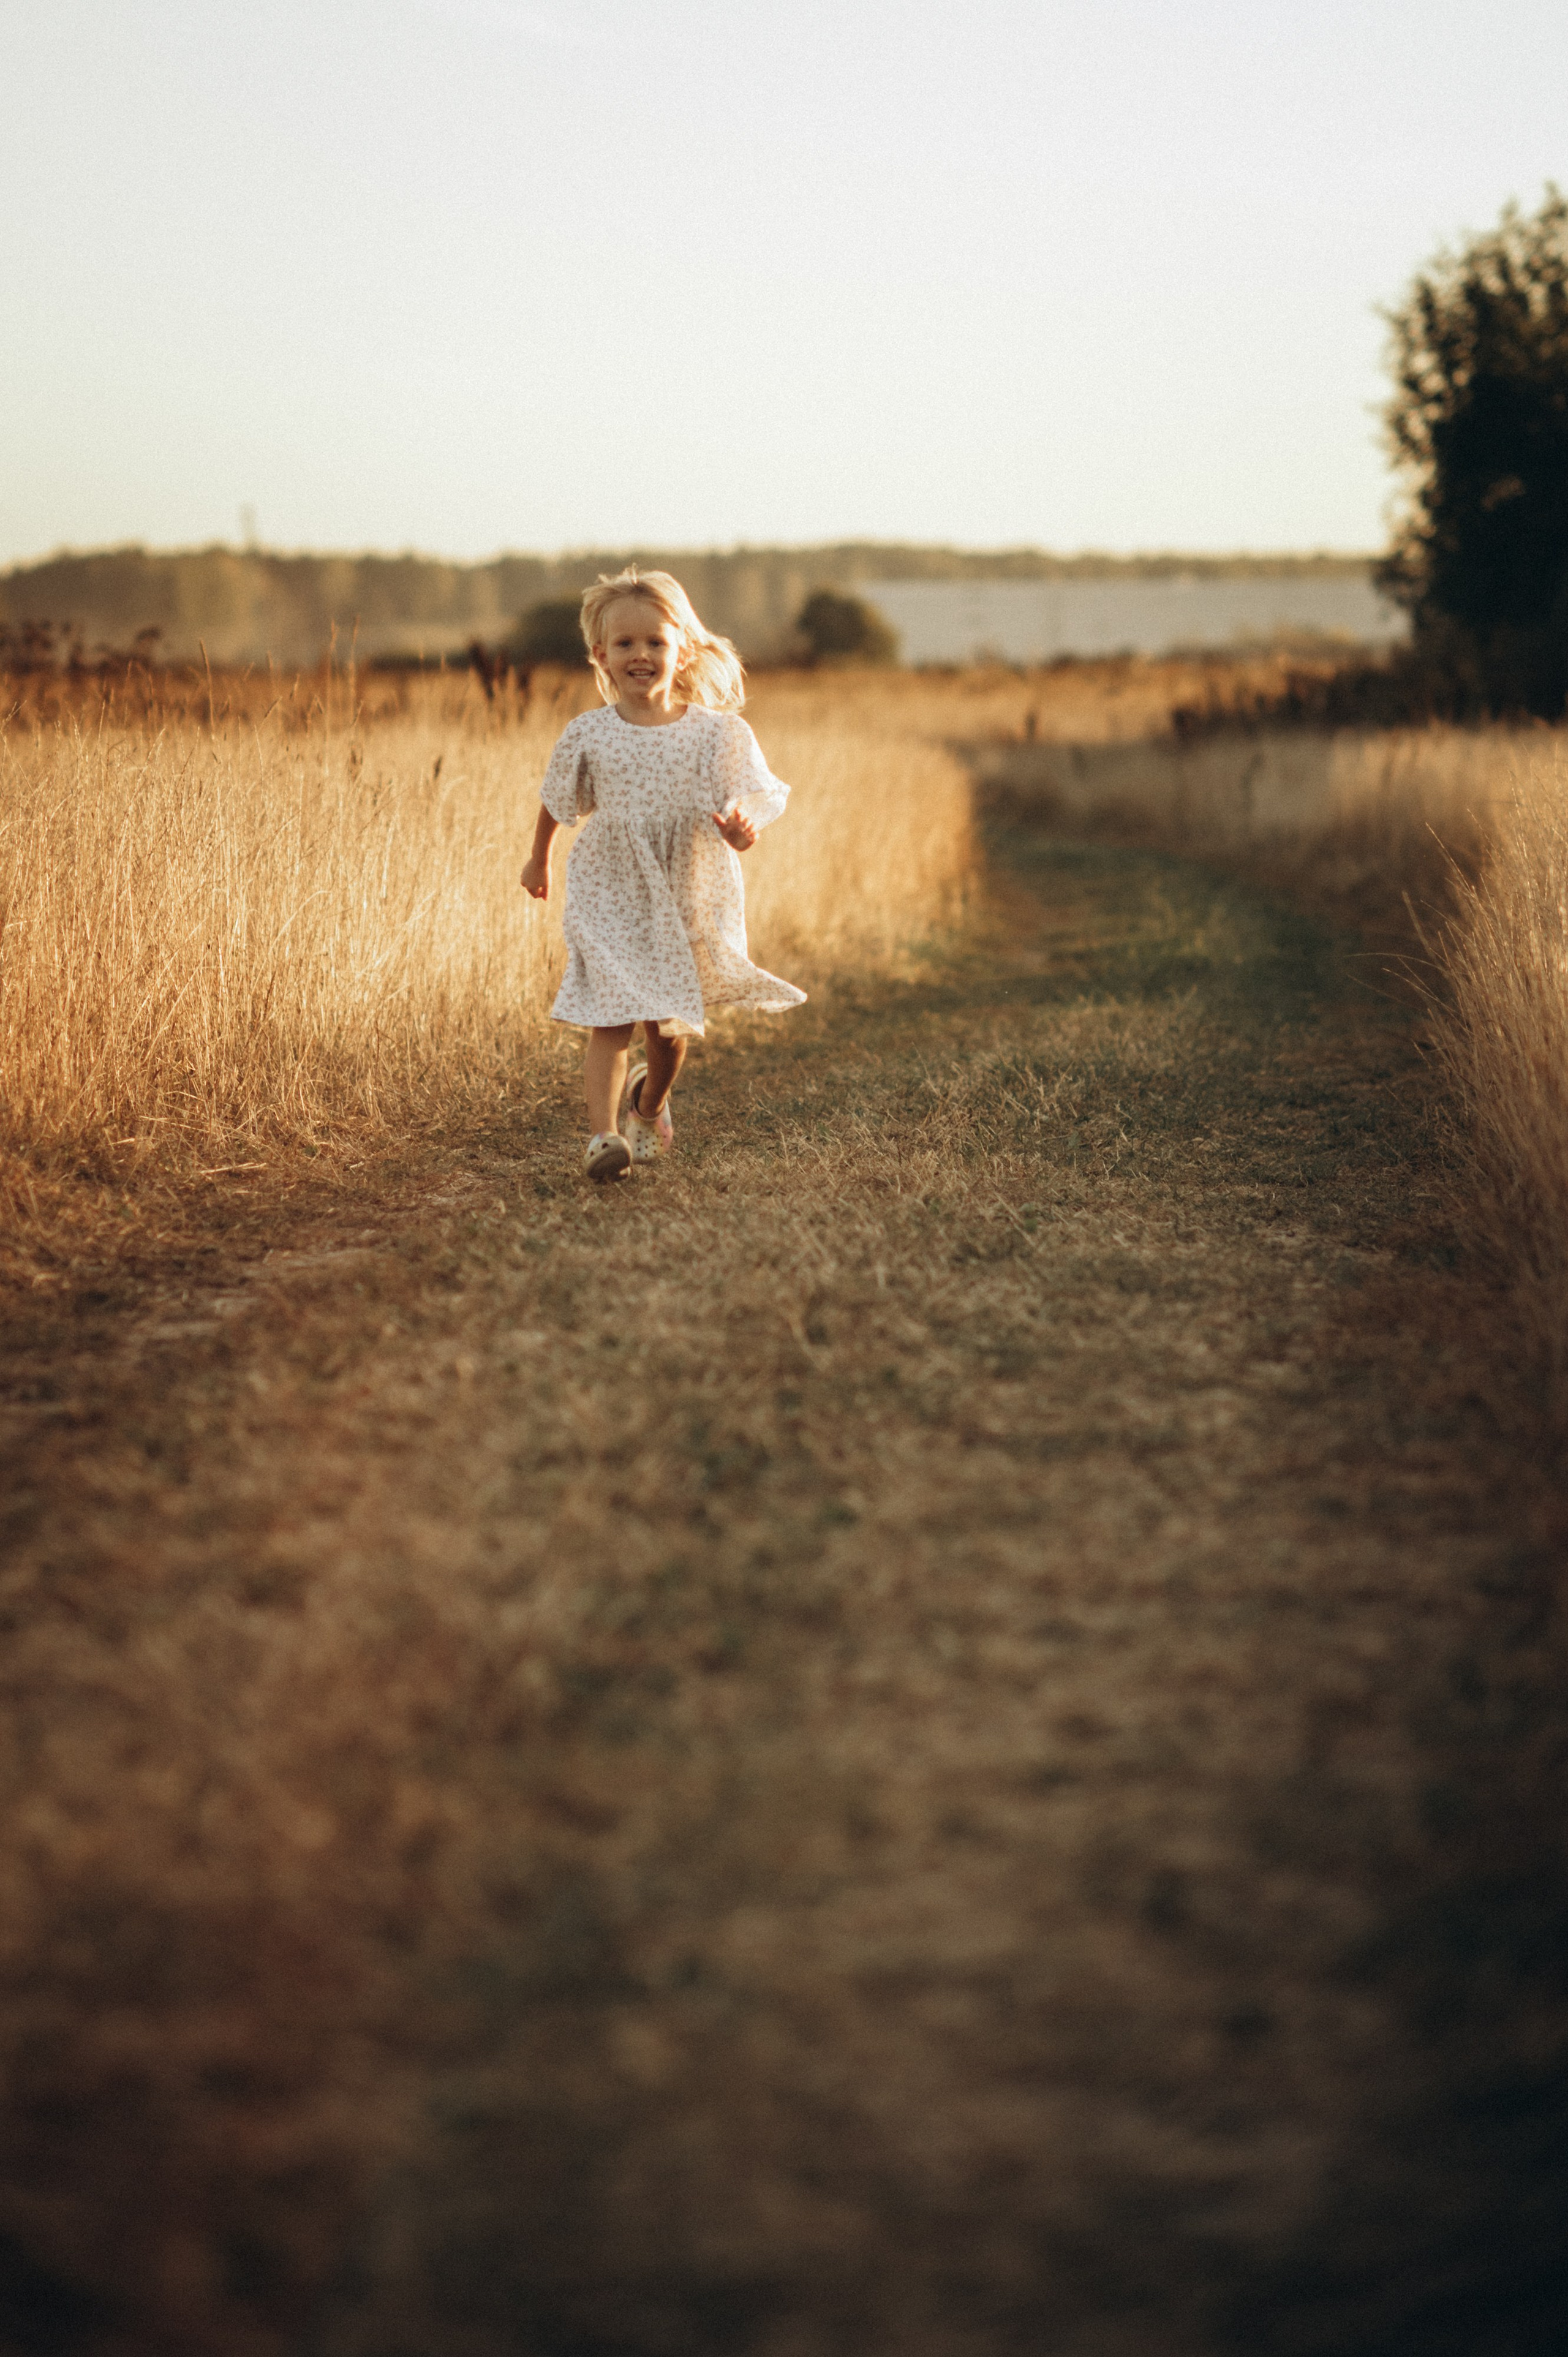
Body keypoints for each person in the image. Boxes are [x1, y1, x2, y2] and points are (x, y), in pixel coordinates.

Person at [519, 568, 805, 1180]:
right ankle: (602, 1139)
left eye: (654, 642)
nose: (640, 655)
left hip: (686, 888)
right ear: (601, 655)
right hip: (610, 884)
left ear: (682, 651)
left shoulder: (716, 733)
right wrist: (539, 855)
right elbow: (556, 798)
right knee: (611, 1015)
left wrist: (738, 830)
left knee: (669, 1031)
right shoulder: (588, 732)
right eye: (625, 644)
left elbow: (742, 810)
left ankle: (647, 1106)